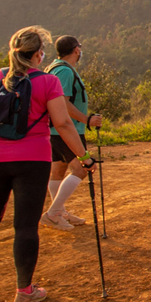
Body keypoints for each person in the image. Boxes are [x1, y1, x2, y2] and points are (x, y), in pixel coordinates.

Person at [0, 26, 96, 302]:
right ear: (39, 54)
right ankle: (24, 290)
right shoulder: (47, 81)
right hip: (32, 159)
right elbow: (62, 124)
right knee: (25, 225)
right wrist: (84, 156)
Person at [41, 35, 104, 231]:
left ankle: (59, 211)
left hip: (51, 130)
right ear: (76, 50)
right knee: (80, 169)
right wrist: (86, 120)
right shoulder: (65, 72)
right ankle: (53, 213)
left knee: (58, 170)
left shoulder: (52, 69)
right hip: (65, 131)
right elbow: (64, 104)